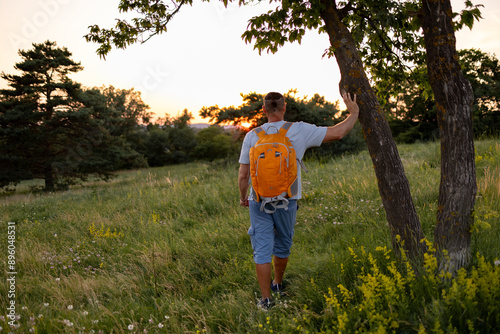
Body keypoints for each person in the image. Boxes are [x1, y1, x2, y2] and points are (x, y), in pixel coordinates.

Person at [238, 91, 360, 309]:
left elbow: (243, 176)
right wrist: (354, 112)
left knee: (262, 247)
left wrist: (242, 197)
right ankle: (277, 283)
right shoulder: (299, 130)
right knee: (283, 242)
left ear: (264, 110)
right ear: (284, 108)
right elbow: (339, 132)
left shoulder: (251, 135)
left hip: (258, 200)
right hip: (287, 199)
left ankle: (265, 301)